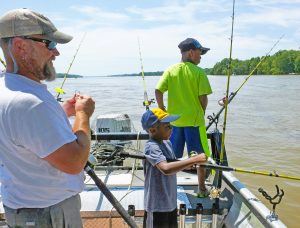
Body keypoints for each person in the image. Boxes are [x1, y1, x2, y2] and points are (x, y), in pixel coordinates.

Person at [0, 8, 95, 227]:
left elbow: (22, 131)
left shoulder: (9, 88)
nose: (56, 53)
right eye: (49, 44)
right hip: (49, 214)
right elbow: (74, 162)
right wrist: (83, 114)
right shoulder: (29, 102)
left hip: (24, 208)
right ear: (20, 46)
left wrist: (64, 111)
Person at [155, 38, 212, 197]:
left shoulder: (171, 70)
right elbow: (203, 98)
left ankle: (167, 188)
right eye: (200, 53)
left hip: (173, 124)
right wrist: (201, 112)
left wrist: (163, 111)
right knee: (200, 157)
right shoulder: (199, 72)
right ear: (191, 52)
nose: (201, 57)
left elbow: (158, 91)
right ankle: (201, 189)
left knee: (171, 157)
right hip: (194, 123)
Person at [141, 108, 207, 228]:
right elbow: (165, 168)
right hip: (156, 206)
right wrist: (194, 160)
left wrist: (189, 164)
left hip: (170, 202)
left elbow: (173, 164)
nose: (172, 128)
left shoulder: (167, 143)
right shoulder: (151, 146)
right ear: (152, 130)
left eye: (171, 125)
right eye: (167, 126)